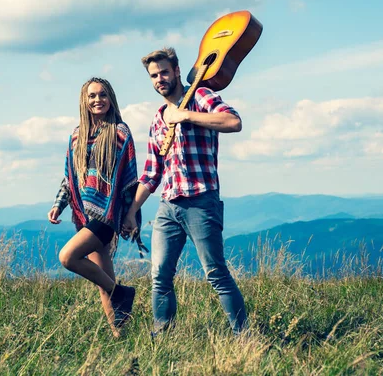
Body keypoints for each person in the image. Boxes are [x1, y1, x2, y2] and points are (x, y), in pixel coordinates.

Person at [122, 47, 248, 335]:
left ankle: (245, 337)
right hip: (168, 206)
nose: (159, 79)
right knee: (159, 277)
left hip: (201, 201)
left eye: (164, 72)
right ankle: (163, 338)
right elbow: (151, 174)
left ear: (177, 71)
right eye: (154, 75)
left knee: (216, 274)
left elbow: (233, 122)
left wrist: (187, 116)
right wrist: (132, 211)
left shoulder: (200, 96)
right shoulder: (157, 119)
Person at [48, 77, 138, 336]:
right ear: (84, 102)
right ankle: (120, 336)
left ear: (110, 99)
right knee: (102, 280)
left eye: (102, 95)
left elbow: (129, 177)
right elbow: (70, 178)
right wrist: (59, 205)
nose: (97, 100)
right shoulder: (76, 136)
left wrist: (130, 214)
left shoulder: (120, 132)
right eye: (92, 96)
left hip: (107, 214)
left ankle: (122, 293)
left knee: (68, 257)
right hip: (85, 214)